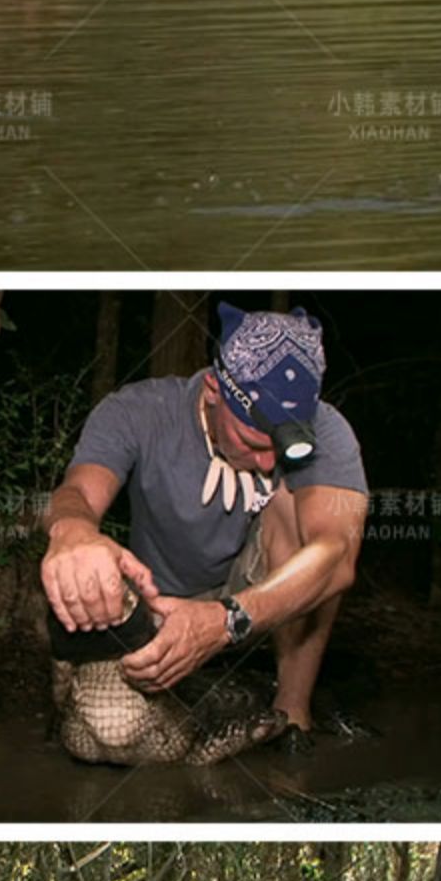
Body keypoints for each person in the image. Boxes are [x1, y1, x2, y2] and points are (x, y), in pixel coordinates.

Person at [40, 303, 368, 746]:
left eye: (284, 446)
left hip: (259, 600)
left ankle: (292, 713)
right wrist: (74, 531)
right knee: (109, 729)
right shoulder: (141, 408)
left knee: (301, 503)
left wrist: (225, 622)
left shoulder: (327, 431)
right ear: (214, 389)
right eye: (253, 442)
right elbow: (76, 494)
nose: (268, 460)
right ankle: (66, 699)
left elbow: (337, 557)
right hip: (161, 600)